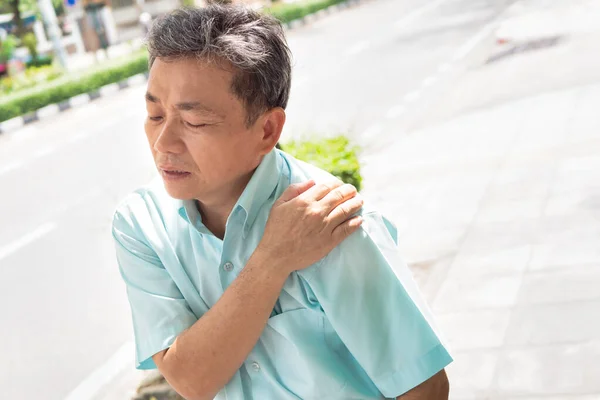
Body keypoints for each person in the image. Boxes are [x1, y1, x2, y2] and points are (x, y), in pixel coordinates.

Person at [112, 5, 452, 399]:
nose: (163, 142)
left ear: (267, 129)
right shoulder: (141, 223)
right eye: (155, 114)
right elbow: (190, 380)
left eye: (195, 122)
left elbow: (424, 388)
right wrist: (273, 258)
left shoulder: (333, 223)